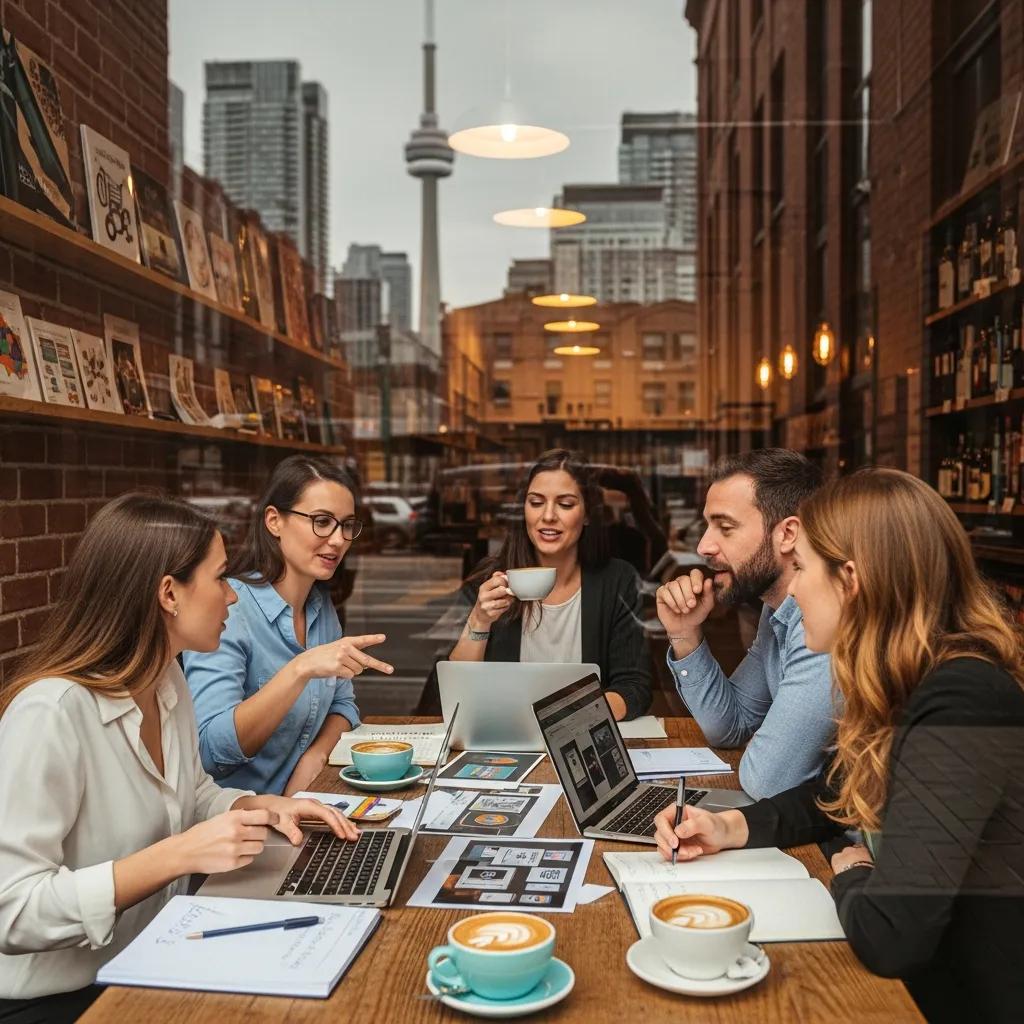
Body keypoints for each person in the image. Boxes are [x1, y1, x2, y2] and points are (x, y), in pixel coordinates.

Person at [654, 469, 1024, 1024]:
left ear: (850, 579)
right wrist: (729, 827)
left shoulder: (961, 699)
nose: (794, 589)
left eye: (801, 567)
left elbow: (890, 937)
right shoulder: (908, 680)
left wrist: (852, 872)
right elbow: (834, 791)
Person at [0, 494, 359, 1023]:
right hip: (57, 1001)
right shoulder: (51, 712)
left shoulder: (166, 679)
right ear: (169, 593)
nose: (232, 600)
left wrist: (260, 806)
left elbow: (191, 794)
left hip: (150, 960)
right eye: (220, 580)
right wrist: (177, 855)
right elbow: (13, 909)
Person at [184, 455, 394, 796]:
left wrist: (316, 756)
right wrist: (299, 670)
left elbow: (343, 705)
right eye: (322, 521)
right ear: (274, 521)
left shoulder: (320, 604)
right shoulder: (229, 609)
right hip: (238, 824)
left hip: (307, 804)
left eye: (347, 525)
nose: (339, 539)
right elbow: (209, 752)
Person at [655, 449, 831, 798]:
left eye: (726, 527)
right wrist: (685, 633)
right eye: (707, 525)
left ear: (788, 533)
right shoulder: (776, 609)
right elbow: (730, 726)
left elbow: (767, 780)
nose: (704, 546)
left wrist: (763, 749)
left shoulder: (824, 626)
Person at [444, 448, 652, 721]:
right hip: (504, 737)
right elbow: (457, 695)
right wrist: (480, 620)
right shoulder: (490, 581)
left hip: (580, 734)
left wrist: (564, 716)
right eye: (536, 502)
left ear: (587, 514)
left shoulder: (617, 581)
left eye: (565, 504)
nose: (548, 516)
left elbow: (634, 689)